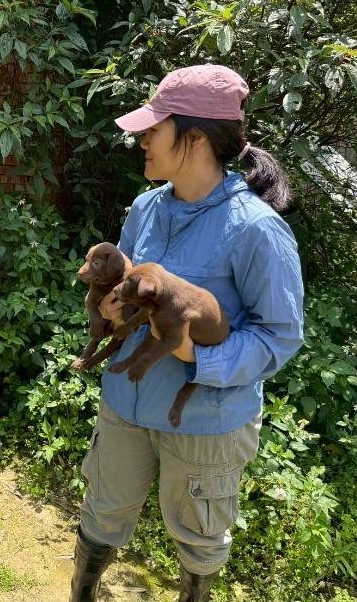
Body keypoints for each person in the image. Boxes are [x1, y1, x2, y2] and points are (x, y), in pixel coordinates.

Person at [68, 64, 305, 602]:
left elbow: (280, 337)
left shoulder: (257, 230)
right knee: (103, 510)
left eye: (154, 130)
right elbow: (128, 287)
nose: (142, 141)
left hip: (206, 420)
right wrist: (110, 308)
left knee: (199, 537)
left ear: (194, 138)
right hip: (125, 403)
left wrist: (193, 352)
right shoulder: (147, 207)